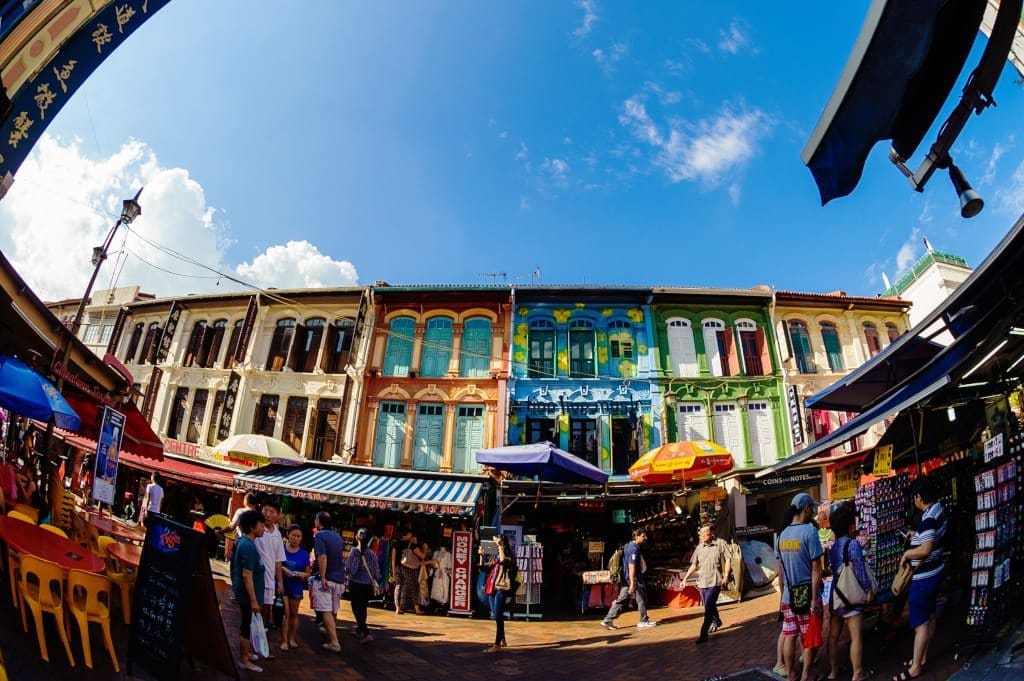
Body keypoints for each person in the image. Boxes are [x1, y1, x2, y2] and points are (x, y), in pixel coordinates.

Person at [893, 476, 946, 681]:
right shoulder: (938, 510)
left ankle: (915, 667)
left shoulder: (929, 518)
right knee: (929, 616)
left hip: (925, 576)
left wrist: (907, 554)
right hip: (936, 570)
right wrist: (916, 535)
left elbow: (925, 549)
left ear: (919, 497)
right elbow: (929, 538)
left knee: (920, 623)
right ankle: (921, 657)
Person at [777, 492, 825, 681]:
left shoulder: (782, 535)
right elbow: (816, 568)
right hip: (806, 595)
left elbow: (780, 571)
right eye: (811, 507)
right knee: (809, 636)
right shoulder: (809, 532)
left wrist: (783, 595)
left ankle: (791, 674)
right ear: (806, 508)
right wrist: (814, 599)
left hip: (789, 596)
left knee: (790, 634)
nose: (813, 510)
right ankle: (806, 674)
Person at [826, 501, 875, 681]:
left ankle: (833, 670)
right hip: (851, 596)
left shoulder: (833, 546)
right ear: (850, 525)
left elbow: (842, 564)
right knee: (856, 637)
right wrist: (868, 589)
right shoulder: (852, 544)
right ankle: (857, 673)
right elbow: (859, 570)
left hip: (836, 595)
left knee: (833, 636)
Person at [230, 509, 266, 673]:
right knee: (246, 625)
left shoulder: (246, 543)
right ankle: (244, 659)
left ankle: (247, 653)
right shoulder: (247, 546)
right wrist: (253, 600)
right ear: (252, 527)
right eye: (261, 525)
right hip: (247, 595)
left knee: (248, 623)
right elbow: (247, 576)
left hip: (247, 593)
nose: (264, 528)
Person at [683, 524, 732, 644]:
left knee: (709, 606)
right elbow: (694, 565)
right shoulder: (699, 548)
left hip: (715, 580)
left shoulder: (720, 543)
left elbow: (728, 559)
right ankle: (717, 621)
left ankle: (703, 633)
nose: (703, 535)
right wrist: (685, 579)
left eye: (706, 533)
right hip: (703, 582)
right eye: (701, 533)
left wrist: (726, 575)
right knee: (709, 605)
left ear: (712, 533)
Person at [601, 528, 657, 631]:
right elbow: (631, 566)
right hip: (633, 579)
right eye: (643, 536)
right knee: (641, 599)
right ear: (637, 536)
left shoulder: (627, 546)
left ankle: (608, 620)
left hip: (626, 578)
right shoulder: (634, 549)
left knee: (625, 599)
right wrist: (632, 582)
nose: (645, 538)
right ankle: (643, 620)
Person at [311, 511, 345, 653]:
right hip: (339, 579)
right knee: (332, 609)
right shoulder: (337, 536)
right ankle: (330, 633)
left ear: (319, 521)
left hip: (327, 578)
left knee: (325, 610)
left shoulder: (320, 536)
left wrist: (323, 576)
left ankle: (334, 642)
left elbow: (322, 557)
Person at [253, 499, 286, 642]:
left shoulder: (277, 534)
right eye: (265, 510)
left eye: (272, 512)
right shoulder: (256, 529)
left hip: (269, 579)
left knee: (267, 609)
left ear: (278, 515)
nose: (267, 514)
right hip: (256, 577)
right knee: (254, 608)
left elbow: (278, 561)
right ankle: (253, 638)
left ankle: (260, 639)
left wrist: (280, 582)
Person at [345, 527, 382, 643]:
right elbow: (377, 573)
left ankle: (366, 632)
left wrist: (346, 569)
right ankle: (359, 630)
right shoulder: (372, 554)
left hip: (356, 584)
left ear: (357, 537)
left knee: (356, 609)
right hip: (368, 586)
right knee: (363, 608)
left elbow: (352, 570)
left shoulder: (354, 552)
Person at [480, 534, 513, 653]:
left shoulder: (507, 556)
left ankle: (497, 644)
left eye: (496, 540)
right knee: (496, 614)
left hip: (501, 587)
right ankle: (502, 639)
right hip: (492, 587)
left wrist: (500, 546)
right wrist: (481, 555)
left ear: (502, 541)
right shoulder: (494, 556)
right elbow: (483, 568)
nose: (494, 542)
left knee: (498, 615)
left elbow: (503, 561)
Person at [280, 524, 310, 651]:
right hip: (282, 585)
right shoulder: (281, 549)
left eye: (298, 536)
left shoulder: (304, 554)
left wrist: (302, 574)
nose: (295, 538)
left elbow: (308, 573)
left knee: (294, 614)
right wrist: (284, 569)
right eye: (293, 535)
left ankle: (292, 638)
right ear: (288, 535)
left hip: (296, 586)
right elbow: (276, 564)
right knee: (286, 613)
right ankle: (284, 640)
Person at [225, 493, 259, 561]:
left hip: (240, 542)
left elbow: (232, 527)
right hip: (253, 544)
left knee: (236, 564)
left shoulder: (240, 511)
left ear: (246, 501)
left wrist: (221, 531)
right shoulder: (258, 515)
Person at [397, 535, 425, 614]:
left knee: (405, 587)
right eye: (413, 538)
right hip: (411, 569)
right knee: (414, 588)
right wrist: (425, 548)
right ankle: (417, 609)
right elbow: (423, 556)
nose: (414, 540)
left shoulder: (403, 545)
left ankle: (403, 607)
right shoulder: (414, 547)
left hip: (404, 567)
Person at [390, 527, 414, 612]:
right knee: (404, 586)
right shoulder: (408, 544)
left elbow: (393, 558)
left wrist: (393, 571)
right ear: (407, 534)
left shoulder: (396, 543)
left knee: (399, 586)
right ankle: (401, 606)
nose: (411, 535)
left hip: (398, 566)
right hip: (406, 567)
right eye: (410, 534)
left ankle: (398, 607)